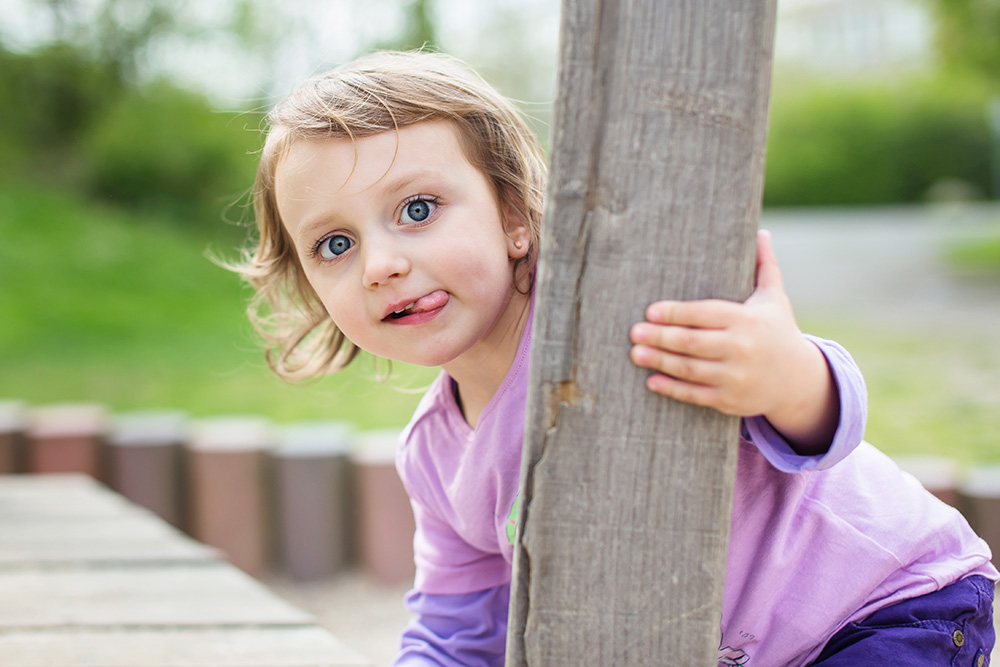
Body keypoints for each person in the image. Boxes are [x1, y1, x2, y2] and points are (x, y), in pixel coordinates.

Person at [234, 50, 998, 666]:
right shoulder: (437, 460)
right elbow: (453, 634)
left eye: (418, 210)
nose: (381, 263)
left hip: (892, 604)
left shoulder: (611, 324)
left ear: (511, 216)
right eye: (335, 244)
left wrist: (780, 371)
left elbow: (831, 420)